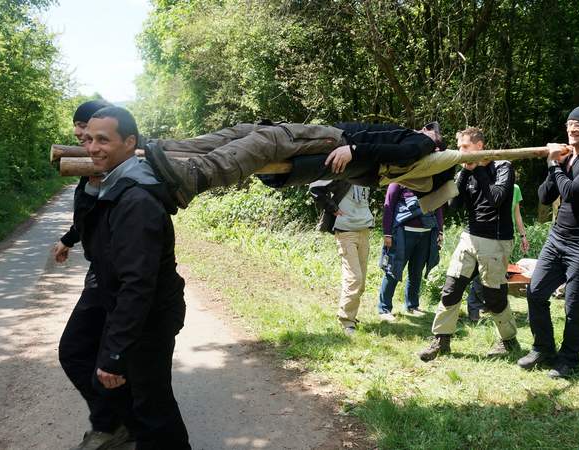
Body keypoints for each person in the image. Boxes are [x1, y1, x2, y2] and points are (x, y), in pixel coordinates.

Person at [81, 106, 190, 448]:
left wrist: (115, 352)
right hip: (142, 318)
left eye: (103, 139)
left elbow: (137, 283)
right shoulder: (115, 186)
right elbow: (93, 246)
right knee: (148, 403)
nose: (93, 148)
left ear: (130, 143)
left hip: (150, 319)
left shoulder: (135, 200)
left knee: (153, 408)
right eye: (88, 139)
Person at [53, 100, 133, 450]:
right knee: (92, 352)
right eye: (82, 138)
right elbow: (86, 221)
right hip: (101, 273)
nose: (86, 144)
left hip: (113, 277)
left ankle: (112, 422)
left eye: (89, 134)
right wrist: (69, 239)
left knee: (77, 350)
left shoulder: (120, 176)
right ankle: (116, 419)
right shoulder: (95, 172)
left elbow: (105, 220)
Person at [517, 103, 579, 379]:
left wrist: (554, 164)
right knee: (535, 293)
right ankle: (543, 349)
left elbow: (572, 192)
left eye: (578, 125)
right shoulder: (567, 158)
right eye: (569, 124)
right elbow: (545, 197)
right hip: (558, 238)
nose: (571, 129)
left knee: (574, 306)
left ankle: (569, 360)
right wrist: (556, 166)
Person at [145, 121, 454, 208]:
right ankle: (163, 152)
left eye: (430, 128)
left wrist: (355, 149)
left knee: (271, 140)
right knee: (244, 133)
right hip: (337, 139)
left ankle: (196, 176)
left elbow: (406, 153)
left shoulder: (427, 145)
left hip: (337, 138)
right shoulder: (413, 154)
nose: (424, 128)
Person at [418, 127, 520, 361]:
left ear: (479, 146)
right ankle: (441, 340)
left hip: (495, 241)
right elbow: (454, 205)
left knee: (493, 296)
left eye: (465, 147)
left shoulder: (502, 166)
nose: (461, 152)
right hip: (469, 237)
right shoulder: (465, 170)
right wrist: (464, 173)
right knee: (451, 289)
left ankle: (509, 341)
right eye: (459, 147)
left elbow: (495, 199)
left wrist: (480, 169)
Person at [309, 180, 374, 335]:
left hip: (364, 231)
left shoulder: (368, 171)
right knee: (354, 279)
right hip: (346, 232)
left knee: (361, 282)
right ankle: (346, 321)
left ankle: (351, 316)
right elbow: (315, 188)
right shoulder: (345, 172)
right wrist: (332, 208)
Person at [376, 181, 444, 322]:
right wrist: (387, 233)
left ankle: (412, 306)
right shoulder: (398, 182)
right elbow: (388, 207)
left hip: (426, 234)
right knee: (393, 270)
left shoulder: (430, 182)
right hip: (403, 234)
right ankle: (384, 309)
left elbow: (437, 206)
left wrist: (440, 231)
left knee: (416, 271)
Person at [466, 182, 529, 321]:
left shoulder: (515, 188)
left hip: (506, 238)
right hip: (487, 236)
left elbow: (517, 214)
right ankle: (474, 310)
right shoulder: (488, 185)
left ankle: (491, 307)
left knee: (497, 275)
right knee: (479, 273)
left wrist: (523, 236)